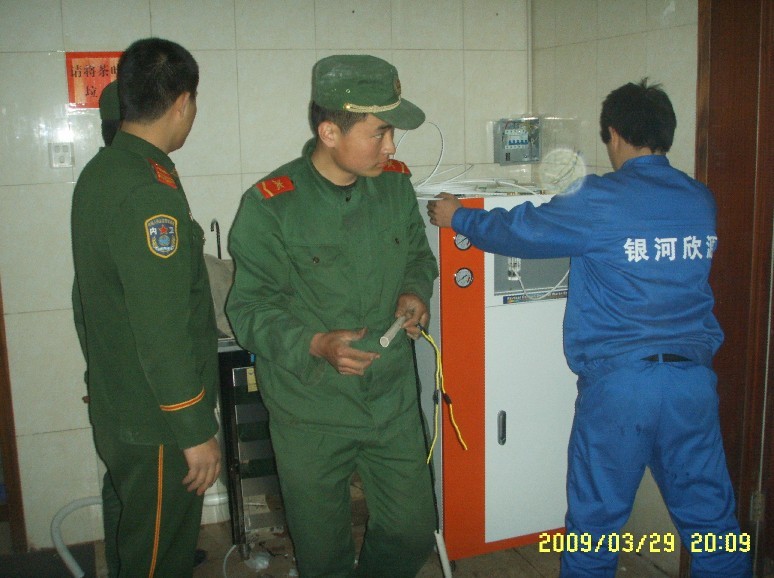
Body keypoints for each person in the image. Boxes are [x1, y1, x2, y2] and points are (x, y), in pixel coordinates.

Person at [426, 79, 751, 578]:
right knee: (713, 524)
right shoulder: (699, 199)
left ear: (614, 134)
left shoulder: (599, 197)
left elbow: (523, 230)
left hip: (622, 386)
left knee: (596, 525)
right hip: (692, 385)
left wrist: (459, 217)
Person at [226, 54, 438, 577]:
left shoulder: (394, 186)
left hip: (389, 402)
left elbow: (418, 256)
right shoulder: (272, 205)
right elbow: (248, 309)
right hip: (311, 409)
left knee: (413, 532)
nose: (391, 147)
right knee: (322, 554)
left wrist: (414, 292)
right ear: (329, 132)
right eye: (380, 132)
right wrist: (316, 344)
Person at [71, 37, 221, 577]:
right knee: (160, 556)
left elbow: (87, 298)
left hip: (122, 402)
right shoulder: (147, 192)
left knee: (133, 538)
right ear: (182, 102)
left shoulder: (104, 172)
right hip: (158, 421)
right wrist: (194, 430)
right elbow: (162, 330)